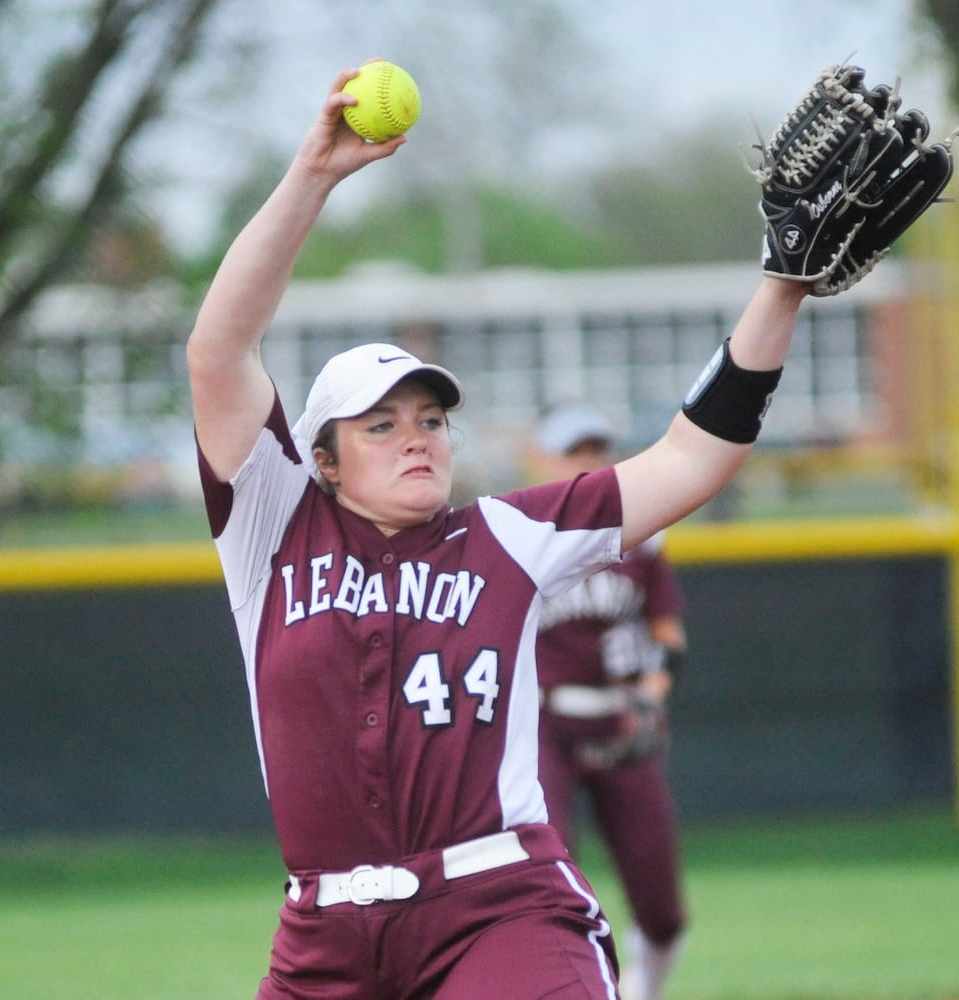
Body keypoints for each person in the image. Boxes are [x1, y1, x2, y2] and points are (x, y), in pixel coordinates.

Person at [187, 64, 806, 1000]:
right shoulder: (271, 529)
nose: (416, 440)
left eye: (430, 420)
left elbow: (688, 460)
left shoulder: (509, 534)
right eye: (381, 425)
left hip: (496, 908)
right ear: (322, 458)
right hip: (321, 932)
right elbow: (218, 351)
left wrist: (781, 292)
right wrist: (311, 176)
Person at [530, 403, 689, 1000]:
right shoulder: (516, 537)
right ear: (541, 459)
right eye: (574, 451)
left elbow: (668, 637)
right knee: (543, 879)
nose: (589, 463)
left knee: (661, 902)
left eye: (597, 450)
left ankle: (642, 990)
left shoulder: (641, 540)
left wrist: (652, 695)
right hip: (541, 724)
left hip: (620, 718)